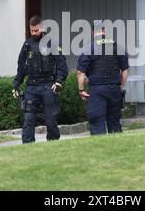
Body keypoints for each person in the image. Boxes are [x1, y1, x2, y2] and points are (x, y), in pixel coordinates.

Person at [13, 16, 68, 144]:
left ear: (42, 27)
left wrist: (59, 81)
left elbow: (62, 66)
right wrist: (16, 84)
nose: (33, 33)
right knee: (28, 119)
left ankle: (53, 144)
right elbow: (21, 68)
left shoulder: (52, 43)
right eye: (31, 31)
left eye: (36, 30)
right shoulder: (27, 45)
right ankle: (28, 146)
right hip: (32, 86)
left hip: (48, 85)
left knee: (50, 119)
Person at [77, 20, 129, 135]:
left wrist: (81, 90)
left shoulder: (88, 49)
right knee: (114, 123)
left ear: (92, 32)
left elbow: (80, 73)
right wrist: (120, 87)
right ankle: (118, 148)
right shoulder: (118, 47)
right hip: (114, 89)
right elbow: (125, 71)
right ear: (104, 30)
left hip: (97, 91)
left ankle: (99, 148)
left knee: (96, 123)